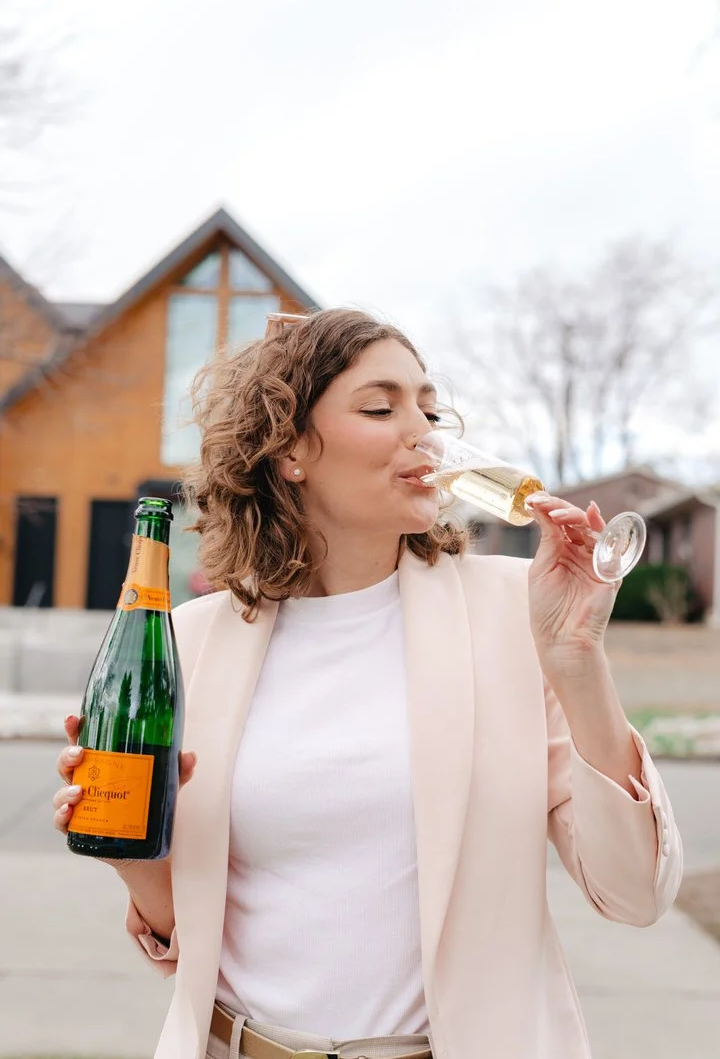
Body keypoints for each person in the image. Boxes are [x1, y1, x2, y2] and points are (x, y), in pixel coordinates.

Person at [53, 308, 683, 1059]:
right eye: (381, 408)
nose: (424, 433)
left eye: (429, 409)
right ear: (289, 449)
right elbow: (188, 937)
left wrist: (576, 660)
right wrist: (134, 860)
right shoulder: (190, 641)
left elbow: (635, 893)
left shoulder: (513, 614)